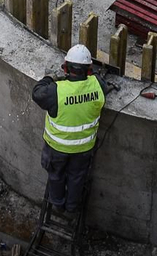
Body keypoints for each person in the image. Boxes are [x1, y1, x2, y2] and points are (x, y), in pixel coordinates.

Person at [30, 45, 106, 214]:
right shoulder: (98, 86)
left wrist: (49, 77)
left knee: (56, 176)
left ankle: (58, 204)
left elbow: (36, 93)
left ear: (65, 68)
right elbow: (101, 83)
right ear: (89, 70)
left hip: (57, 148)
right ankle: (72, 207)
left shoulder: (56, 91)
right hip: (84, 148)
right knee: (76, 178)